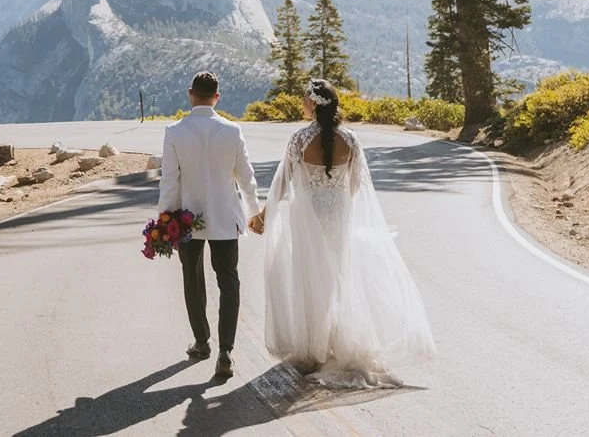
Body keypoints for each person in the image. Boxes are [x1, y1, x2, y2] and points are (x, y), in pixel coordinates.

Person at [250, 78, 435, 386]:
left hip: (307, 216)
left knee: (310, 278)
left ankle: (314, 349)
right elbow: (356, 185)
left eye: (304, 100)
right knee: (337, 276)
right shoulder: (350, 139)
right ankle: (339, 340)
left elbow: (282, 183)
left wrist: (263, 215)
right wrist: (337, 201)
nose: (301, 104)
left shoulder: (298, 139)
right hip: (338, 214)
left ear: (311, 104)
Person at [157, 70, 260, 381]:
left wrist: (164, 219)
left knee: (192, 277)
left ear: (191, 94)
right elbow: (246, 176)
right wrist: (255, 213)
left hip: (186, 219)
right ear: (217, 97)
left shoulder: (175, 131)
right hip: (225, 217)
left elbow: (170, 181)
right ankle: (226, 351)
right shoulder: (232, 130)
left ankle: (202, 342)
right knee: (228, 281)